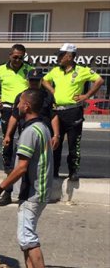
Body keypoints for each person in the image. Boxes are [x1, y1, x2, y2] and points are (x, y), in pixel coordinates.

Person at [0, 88, 53, 268]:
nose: (16, 106)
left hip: (33, 192)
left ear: (27, 106)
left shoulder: (30, 132)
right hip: (39, 190)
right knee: (25, 235)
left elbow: (22, 168)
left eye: (19, 102)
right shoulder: (43, 126)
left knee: (27, 236)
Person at [0, 69, 60, 206]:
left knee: (39, 166)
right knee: (16, 165)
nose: (34, 83)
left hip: (42, 136)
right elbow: (14, 116)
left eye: (36, 80)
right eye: (32, 80)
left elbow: (54, 116)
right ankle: (8, 193)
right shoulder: (22, 96)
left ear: (41, 81)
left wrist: (56, 134)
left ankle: (36, 194)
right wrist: (8, 135)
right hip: (26, 135)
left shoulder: (47, 96)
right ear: (28, 80)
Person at [42, 44, 103, 181]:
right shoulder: (56, 70)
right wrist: (52, 91)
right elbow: (44, 80)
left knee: (73, 144)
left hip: (73, 111)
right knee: (55, 142)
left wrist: (86, 96)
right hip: (57, 112)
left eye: (61, 55)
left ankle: (73, 171)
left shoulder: (82, 70)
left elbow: (99, 80)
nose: (58, 57)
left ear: (69, 56)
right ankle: (54, 171)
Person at [0, 44, 33, 176]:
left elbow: (40, 84)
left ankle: (21, 164)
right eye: (15, 57)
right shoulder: (1, 69)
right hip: (8, 109)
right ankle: (7, 165)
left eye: (21, 58)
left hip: (24, 109)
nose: (17, 60)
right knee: (7, 137)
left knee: (24, 138)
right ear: (10, 55)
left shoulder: (28, 69)